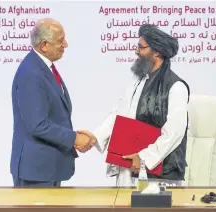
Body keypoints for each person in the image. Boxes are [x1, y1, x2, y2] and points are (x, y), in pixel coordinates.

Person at [79, 24, 190, 187]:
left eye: (141, 47)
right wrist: (95, 137)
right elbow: (118, 115)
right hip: (129, 167)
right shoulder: (137, 81)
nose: (136, 51)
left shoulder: (176, 87)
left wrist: (144, 158)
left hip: (160, 174)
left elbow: (174, 133)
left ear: (157, 52)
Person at [10, 18, 94, 187]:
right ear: (44, 45)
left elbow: (53, 115)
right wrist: (74, 138)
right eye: (60, 41)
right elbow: (37, 124)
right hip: (35, 172)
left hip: (47, 168)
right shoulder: (31, 74)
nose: (66, 44)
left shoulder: (43, 67)